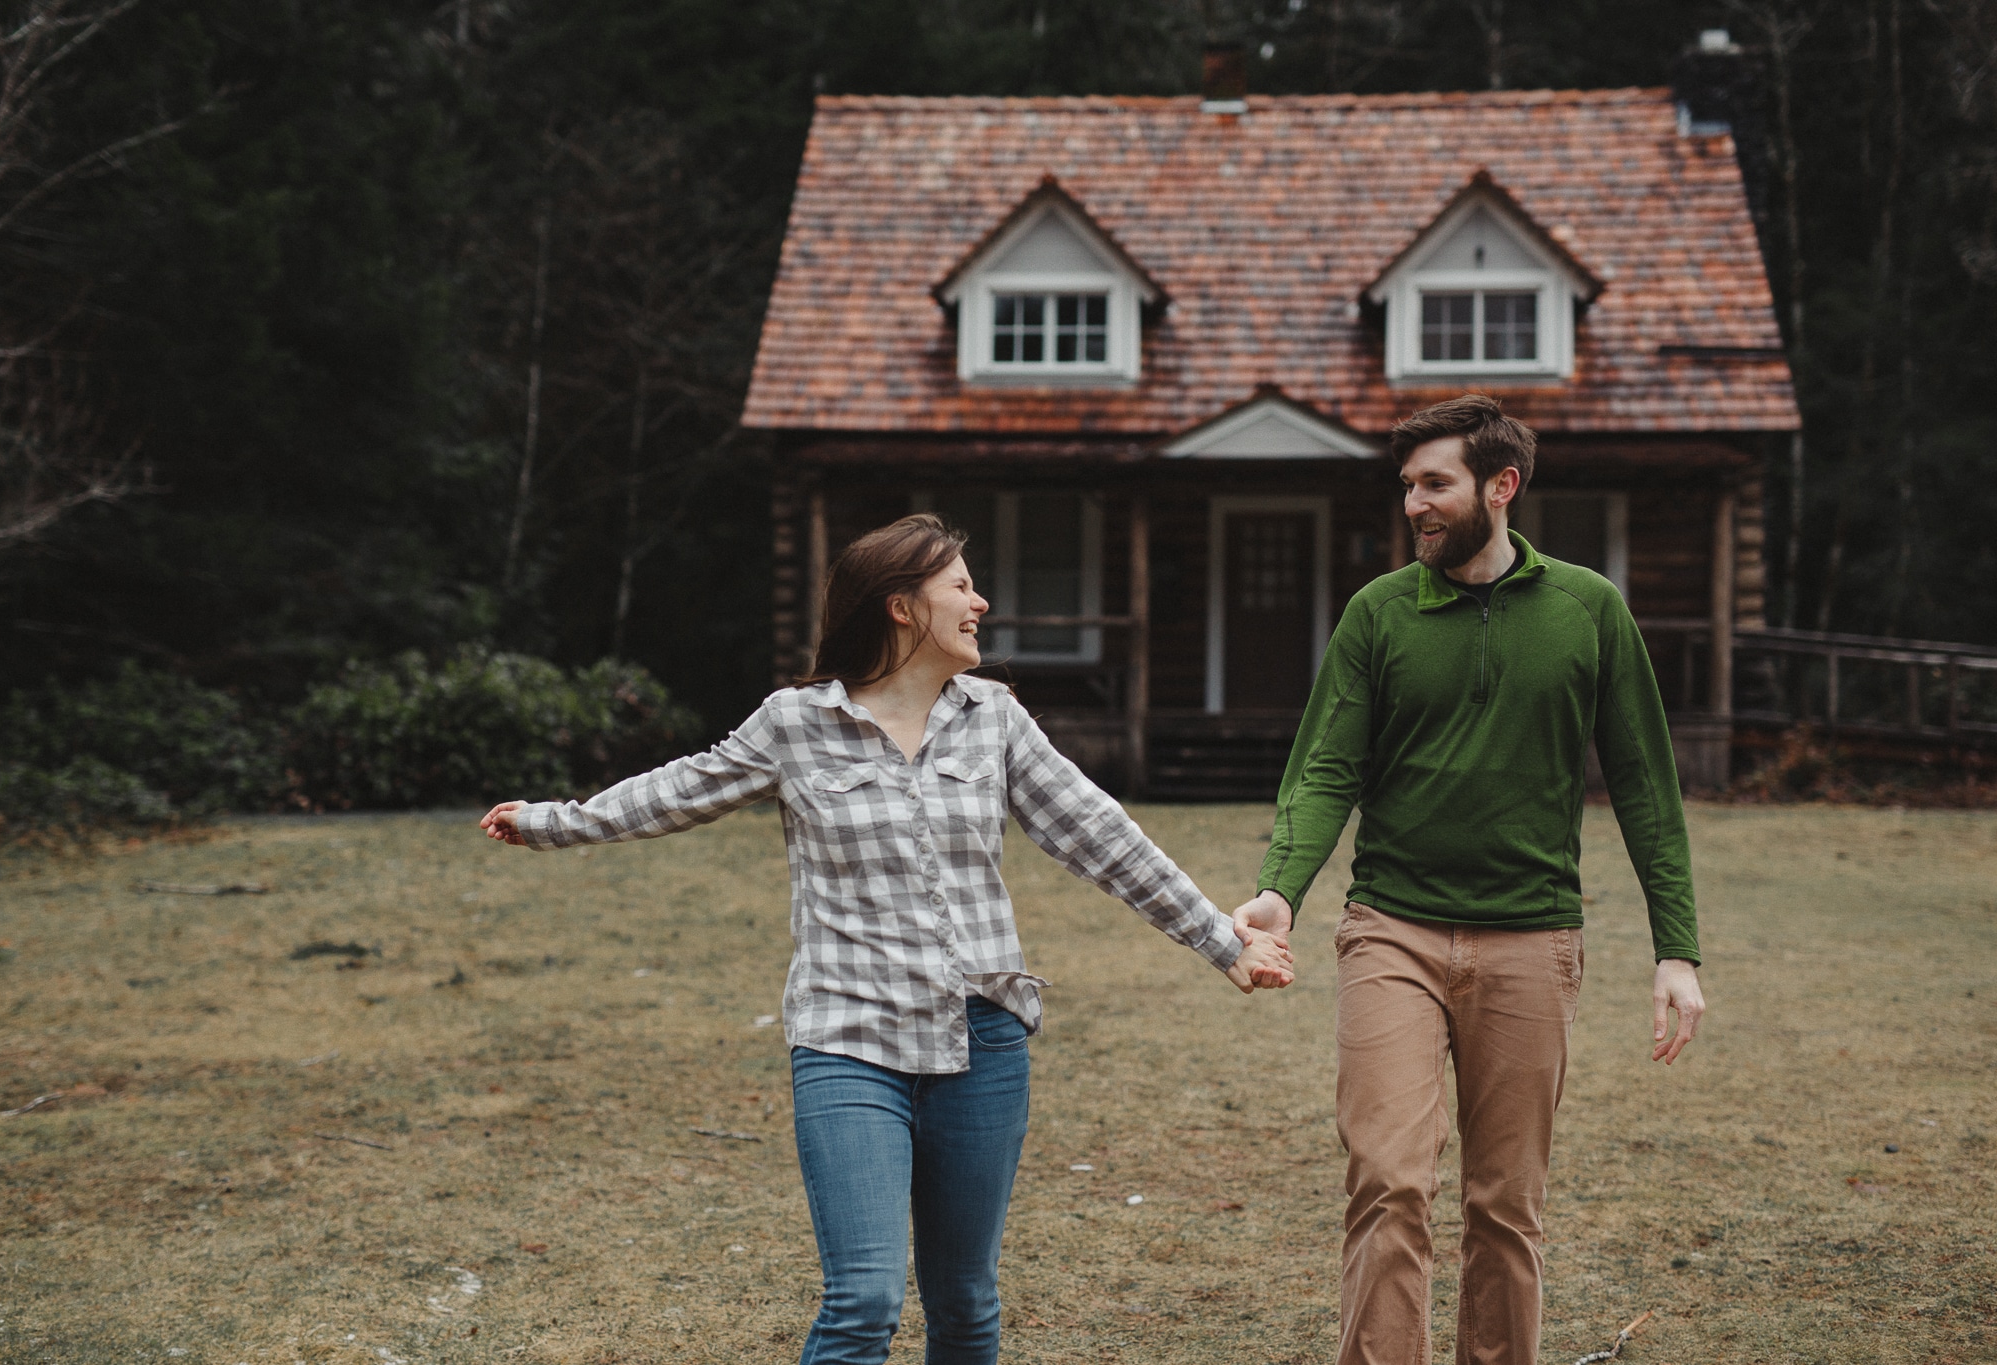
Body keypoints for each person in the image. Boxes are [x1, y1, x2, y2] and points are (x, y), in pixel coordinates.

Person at [480, 514, 1294, 1365]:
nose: (980, 602)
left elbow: (1103, 837)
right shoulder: (795, 724)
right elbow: (681, 788)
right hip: (847, 1039)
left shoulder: (995, 719)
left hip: (982, 1038)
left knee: (967, 1304)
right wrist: (551, 822)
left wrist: (1219, 938)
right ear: (902, 607)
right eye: (961, 586)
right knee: (865, 1298)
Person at [1229, 394, 1706, 1365]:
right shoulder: (1378, 614)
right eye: (1406, 485)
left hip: (1532, 938)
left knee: (1505, 1205)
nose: (1413, 504)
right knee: (1387, 1182)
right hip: (1389, 932)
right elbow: (1326, 767)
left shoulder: (1588, 613)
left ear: (1501, 487)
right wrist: (1281, 889)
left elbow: (1647, 787)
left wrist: (1676, 950)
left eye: (1434, 483)